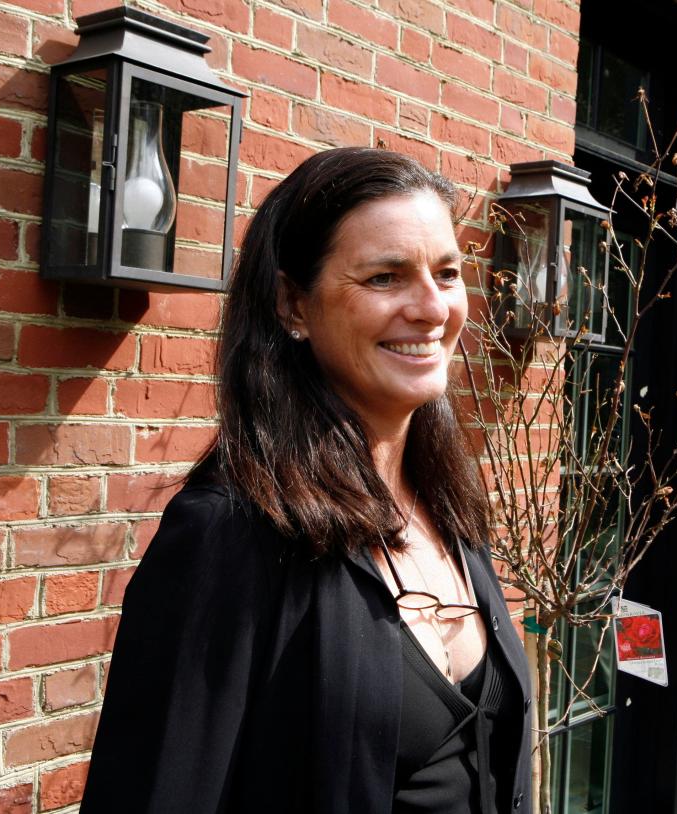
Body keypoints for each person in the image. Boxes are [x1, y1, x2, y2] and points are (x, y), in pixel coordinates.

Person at [80, 147, 532, 813]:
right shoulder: (229, 535)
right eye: (385, 277)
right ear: (294, 304)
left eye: (447, 273)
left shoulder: (448, 508)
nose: (433, 309)